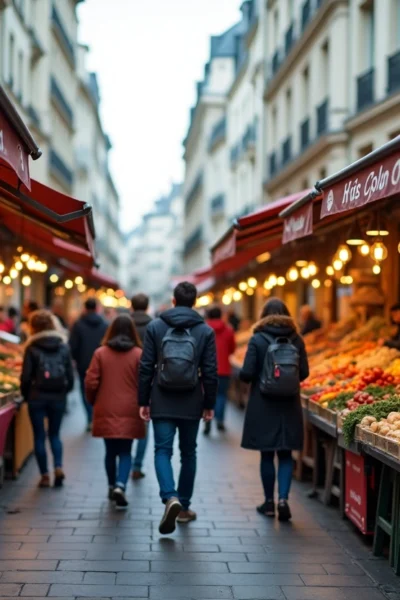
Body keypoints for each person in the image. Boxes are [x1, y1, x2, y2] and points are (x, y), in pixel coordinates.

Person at [139, 281, 217, 534]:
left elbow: (146, 366)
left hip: (161, 397)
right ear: (194, 302)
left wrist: (143, 400)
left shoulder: (156, 326)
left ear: (172, 301)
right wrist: (209, 404)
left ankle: (170, 496)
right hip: (191, 399)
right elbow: (211, 372)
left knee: (162, 451)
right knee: (189, 453)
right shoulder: (204, 331)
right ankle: (183, 507)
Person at [240, 298, 309, 522]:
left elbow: (247, 372)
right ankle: (284, 500)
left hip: (263, 403)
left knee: (267, 453)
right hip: (289, 403)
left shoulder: (257, 338)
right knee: (286, 453)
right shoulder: (297, 339)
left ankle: (269, 503)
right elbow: (305, 373)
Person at [85, 315, 144, 508]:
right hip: (131, 407)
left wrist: (93, 401)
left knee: (110, 451)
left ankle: (111, 486)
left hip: (106, 406)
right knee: (126, 451)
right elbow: (145, 381)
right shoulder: (138, 354)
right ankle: (121, 484)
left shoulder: (100, 353)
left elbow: (91, 381)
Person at [20, 310, 74, 488]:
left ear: (33, 327)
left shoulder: (31, 347)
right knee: (55, 435)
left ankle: (44, 475)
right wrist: (65, 391)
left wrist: (26, 395)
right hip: (58, 396)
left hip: (37, 396)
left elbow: (26, 376)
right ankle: (58, 467)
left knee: (39, 436)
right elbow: (69, 374)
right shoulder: (63, 345)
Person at [69, 298, 108, 431]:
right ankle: (96, 416)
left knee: (84, 390)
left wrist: (75, 359)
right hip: (101, 363)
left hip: (83, 363)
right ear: (96, 308)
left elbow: (73, 345)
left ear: (85, 308)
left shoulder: (78, 324)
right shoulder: (104, 324)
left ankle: (90, 417)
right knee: (100, 390)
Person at [131, 293, 152, 480]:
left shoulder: (123, 324)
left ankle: (126, 460)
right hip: (148, 380)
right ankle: (137, 465)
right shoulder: (155, 326)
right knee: (144, 424)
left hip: (126, 380)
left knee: (126, 421)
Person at [205, 306, 236, 434]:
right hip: (223, 368)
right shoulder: (228, 330)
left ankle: (207, 421)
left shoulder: (204, 330)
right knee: (222, 395)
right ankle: (220, 421)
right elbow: (232, 349)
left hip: (207, 368)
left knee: (207, 395)